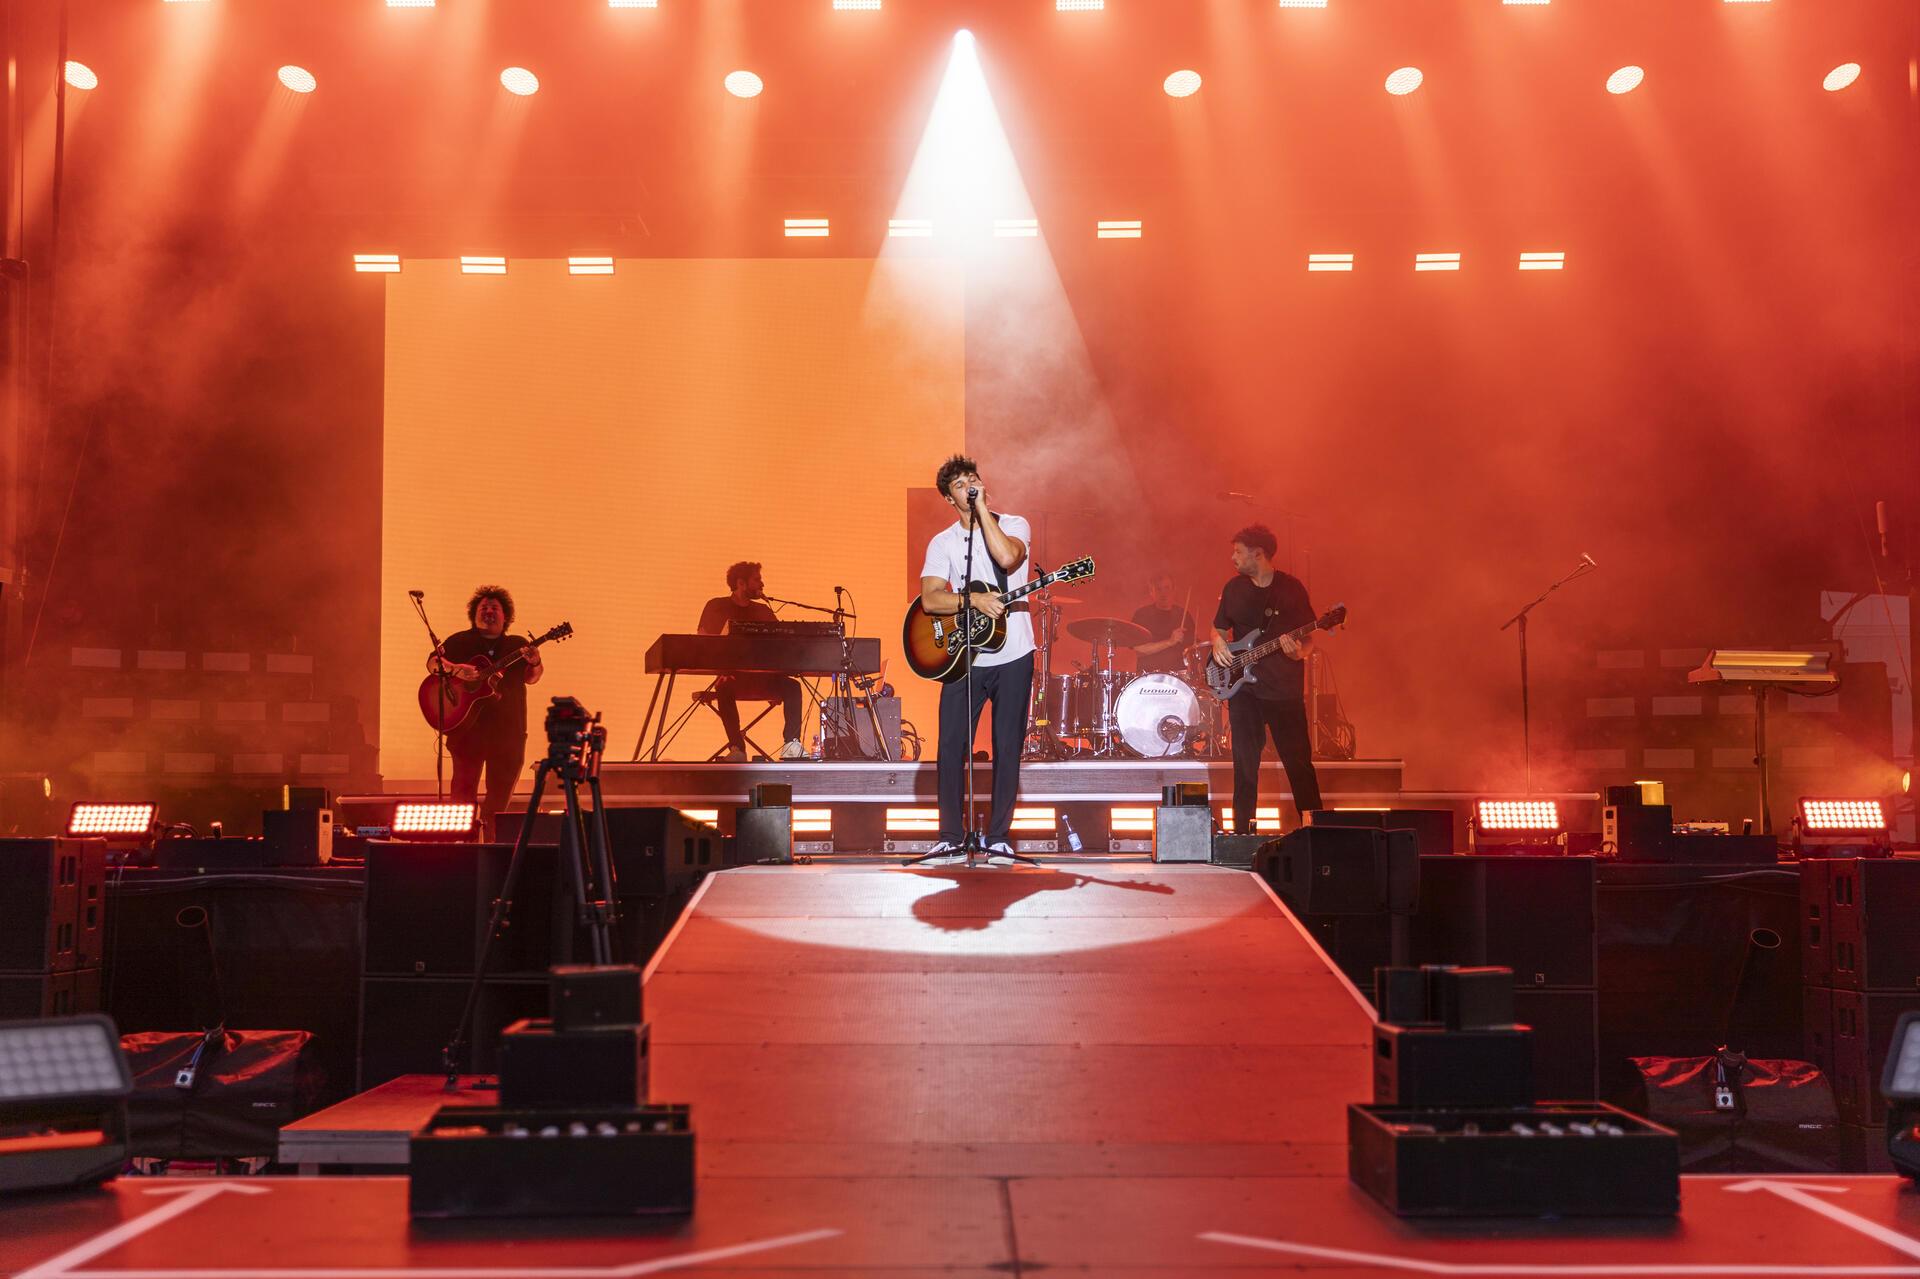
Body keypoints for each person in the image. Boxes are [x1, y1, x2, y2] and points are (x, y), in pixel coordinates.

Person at [918, 454, 1032, 857]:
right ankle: (949, 836)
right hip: (963, 657)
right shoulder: (943, 542)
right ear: (950, 498)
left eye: (973, 479)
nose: (969, 486)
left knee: (1007, 744)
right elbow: (931, 600)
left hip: (1015, 651)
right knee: (951, 745)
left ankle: (998, 836)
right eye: (960, 485)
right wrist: (972, 600)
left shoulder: (1014, 524)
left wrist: (982, 510)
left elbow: (1008, 558)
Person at [1209, 525, 1324, 830]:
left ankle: (1316, 830)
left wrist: (1297, 652)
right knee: (1245, 766)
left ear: (1257, 554)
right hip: (1244, 692)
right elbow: (1219, 627)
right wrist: (1218, 642)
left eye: (1238, 552)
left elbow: (1309, 638)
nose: (1232, 557)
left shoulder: (1291, 589)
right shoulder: (1234, 589)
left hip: (1284, 692)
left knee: (1299, 764)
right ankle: (1243, 832)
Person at [427, 585, 543, 828]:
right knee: (462, 798)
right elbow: (432, 662)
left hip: (508, 733)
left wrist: (535, 662)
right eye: (484, 607)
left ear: (505, 616)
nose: (489, 611)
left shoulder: (517, 644)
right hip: (467, 732)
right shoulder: (459, 641)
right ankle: (462, 845)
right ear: (474, 614)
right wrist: (458, 669)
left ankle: (492, 843)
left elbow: (532, 678)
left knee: (498, 803)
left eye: (494, 608)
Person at [697, 561, 805, 761]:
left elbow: (780, 647)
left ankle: (791, 746)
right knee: (724, 686)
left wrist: (779, 673)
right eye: (757, 580)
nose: (762, 584)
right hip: (733, 678)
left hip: (764, 679)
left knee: (792, 687)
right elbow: (704, 642)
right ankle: (737, 749)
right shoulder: (716, 606)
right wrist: (719, 670)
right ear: (741, 583)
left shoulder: (763, 611)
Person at [1132, 572, 1194, 675]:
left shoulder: (1184, 615)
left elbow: (1192, 649)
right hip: (1148, 677)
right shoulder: (1142, 615)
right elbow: (1139, 651)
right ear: (1151, 592)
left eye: (1167, 588)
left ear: (1174, 590)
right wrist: (1170, 641)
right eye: (1158, 589)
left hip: (1178, 678)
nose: (1163, 593)